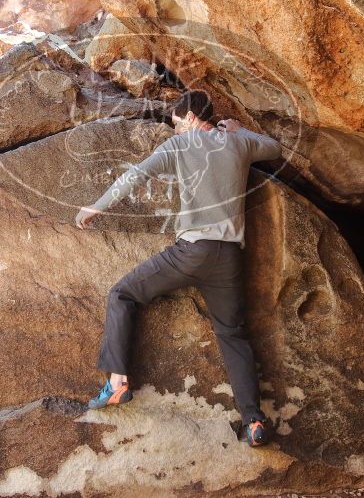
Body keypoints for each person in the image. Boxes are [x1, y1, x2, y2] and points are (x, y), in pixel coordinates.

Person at [73, 89, 284, 447]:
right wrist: (239, 128)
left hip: (191, 252)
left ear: (188, 119)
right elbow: (275, 149)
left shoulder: (178, 147)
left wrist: (96, 206)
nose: (174, 131)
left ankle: (117, 383)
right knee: (232, 335)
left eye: (175, 124)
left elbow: (135, 176)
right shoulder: (238, 144)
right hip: (230, 258)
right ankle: (253, 421)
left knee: (122, 294)